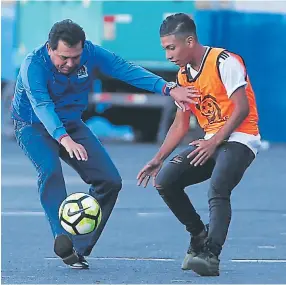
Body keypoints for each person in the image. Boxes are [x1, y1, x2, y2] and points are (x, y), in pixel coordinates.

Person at [11, 19, 196, 269]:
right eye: (64, 58)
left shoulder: (91, 53)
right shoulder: (33, 65)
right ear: (50, 48)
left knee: (110, 181)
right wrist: (63, 138)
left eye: (75, 57)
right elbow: (42, 105)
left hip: (72, 123)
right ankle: (62, 237)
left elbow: (125, 69)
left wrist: (167, 88)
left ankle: (78, 247)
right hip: (33, 126)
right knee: (50, 170)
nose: (70, 64)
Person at [137, 13, 261, 277]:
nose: (168, 55)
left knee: (218, 188)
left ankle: (210, 254)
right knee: (165, 180)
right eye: (165, 49)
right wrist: (158, 158)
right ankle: (198, 235)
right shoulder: (183, 76)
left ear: (190, 41)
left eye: (171, 47)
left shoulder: (224, 61)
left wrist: (214, 141)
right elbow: (180, 125)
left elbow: (242, 109)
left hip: (240, 138)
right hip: (210, 141)